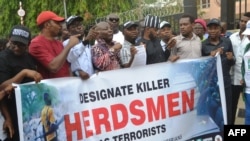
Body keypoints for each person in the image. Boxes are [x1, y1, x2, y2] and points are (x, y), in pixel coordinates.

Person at [0, 24, 43, 140]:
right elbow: (2, 87)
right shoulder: (3, 58)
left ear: (28, 44)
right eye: (14, 43)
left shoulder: (29, 58)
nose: (17, 48)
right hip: (12, 111)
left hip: (29, 110)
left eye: (21, 45)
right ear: (9, 40)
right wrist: (23, 73)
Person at [202, 18, 235, 125]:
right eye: (210, 28)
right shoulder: (203, 45)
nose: (212, 31)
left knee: (228, 109)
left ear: (220, 29)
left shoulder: (227, 41)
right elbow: (202, 65)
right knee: (214, 109)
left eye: (215, 28)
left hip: (225, 82)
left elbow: (232, 61)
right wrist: (209, 56)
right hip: (212, 84)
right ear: (207, 30)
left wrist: (231, 59)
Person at [29, 10, 80, 79]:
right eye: (57, 23)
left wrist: (71, 82)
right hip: (50, 88)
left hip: (65, 86)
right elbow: (53, 67)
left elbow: (67, 67)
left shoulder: (58, 43)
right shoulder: (36, 44)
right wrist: (69, 45)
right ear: (47, 25)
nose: (60, 26)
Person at [230, 12, 250, 124]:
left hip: (246, 82)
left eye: (246, 21)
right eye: (241, 21)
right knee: (232, 107)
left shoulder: (249, 39)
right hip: (234, 78)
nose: (242, 23)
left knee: (248, 111)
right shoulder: (232, 37)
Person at [63, 15, 97, 79]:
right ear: (68, 30)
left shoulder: (86, 43)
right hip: (78, 81)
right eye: (74, 26)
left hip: (91, 80)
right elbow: (70, 58)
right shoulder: (66, 43)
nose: (79, 27)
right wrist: (86, 41)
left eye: (80, 25)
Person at [241, 20, 250, 125]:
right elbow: (244, 65)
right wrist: (243, 77)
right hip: (247, 89)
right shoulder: (248, 47)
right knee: (248, 115)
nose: (249, 37)